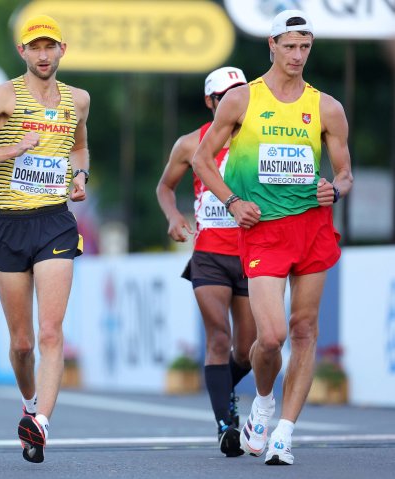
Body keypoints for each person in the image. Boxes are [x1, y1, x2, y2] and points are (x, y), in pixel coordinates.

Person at [192, 10, 353, 465]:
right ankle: (263, 402)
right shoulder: (242, 100)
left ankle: (284, 432)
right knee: (271, 336)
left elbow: (344, 173)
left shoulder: (327, 107)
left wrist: (335, 189)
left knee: (304, 330)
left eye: (305, 47)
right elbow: (204, 161)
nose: (297, 56)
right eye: (289, 46)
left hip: (312, 226)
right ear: (272, 45)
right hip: (262, 229)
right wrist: (231, 202)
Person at [0, 14, 90, 463]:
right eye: (36, 47)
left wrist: (81, 175)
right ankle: (29, 402)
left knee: (51, 332)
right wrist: (10, 149)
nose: (44, 54)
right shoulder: (3, 96)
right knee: (22, 343)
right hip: (9, 224)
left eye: (51, 46)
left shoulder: (79, 100)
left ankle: (41, 423)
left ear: (62, 50)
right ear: (23, 53)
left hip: (54, 221)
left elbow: (79, 146)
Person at [156, 66, 256, 458]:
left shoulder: (259, 138)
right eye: (224, 97)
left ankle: (222, 388)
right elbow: (165, 186)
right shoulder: (190, 144)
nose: (233, 103)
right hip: (211, 254)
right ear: (210, 102)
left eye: (240, 95)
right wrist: (174, 216)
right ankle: (224, 425)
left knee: (248, 350)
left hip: (252, 254)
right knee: (218, 338)